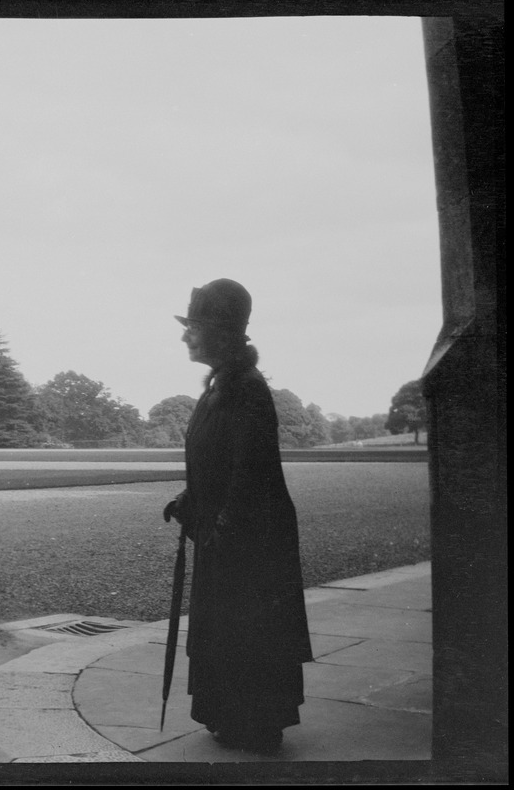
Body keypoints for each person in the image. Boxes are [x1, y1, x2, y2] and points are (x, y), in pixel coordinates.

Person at [162, 278, 312, 754]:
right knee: (228, 627)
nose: (186, 336)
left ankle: (253, 723)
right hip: (229, 533)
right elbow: (218, 460)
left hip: (248, 538)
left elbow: (251, 470)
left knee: (244, 629)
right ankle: (231, 715)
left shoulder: (246, 389)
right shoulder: (222, 387)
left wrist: (223, 526)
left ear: (220, 334)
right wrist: (191, 498)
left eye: (195, 328)